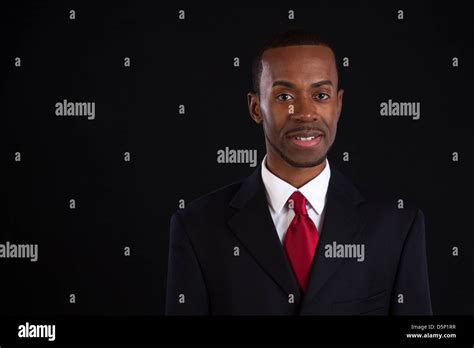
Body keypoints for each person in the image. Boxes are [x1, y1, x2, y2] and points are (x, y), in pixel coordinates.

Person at [165, 30, 432, 315]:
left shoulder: (397, 226)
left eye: (320, 95)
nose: (304, 113)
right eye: (284, 96)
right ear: (256, 108)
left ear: (338, 105)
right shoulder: (197, 227)